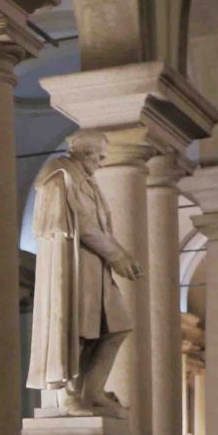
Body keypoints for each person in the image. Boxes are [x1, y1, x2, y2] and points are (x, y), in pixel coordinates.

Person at [25, 132, 143, 417]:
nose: (102, 162)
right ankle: (68, 396)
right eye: (99, 156)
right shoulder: (60, 178)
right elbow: (86, 226)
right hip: (73, 266)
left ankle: (92, 391)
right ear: (82, 152)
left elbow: (97, 226)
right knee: (76, 329)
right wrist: (118, 256)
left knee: (118, 325)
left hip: (94, 267)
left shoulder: (85, 179)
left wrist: (118, 255)